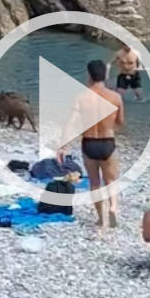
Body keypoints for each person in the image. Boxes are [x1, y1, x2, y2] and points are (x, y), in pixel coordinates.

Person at [56, 60, 126, 228]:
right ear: (105, 76)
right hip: (108, 142)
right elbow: (121, 122)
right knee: (110, 180)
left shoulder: (81, 97)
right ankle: (114, 208)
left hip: (89, 144)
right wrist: (109, 127)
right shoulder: (115, 97)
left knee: (95, 182)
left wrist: (63, 146)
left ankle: (101, 217)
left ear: (89, 75)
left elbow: (70, 123)